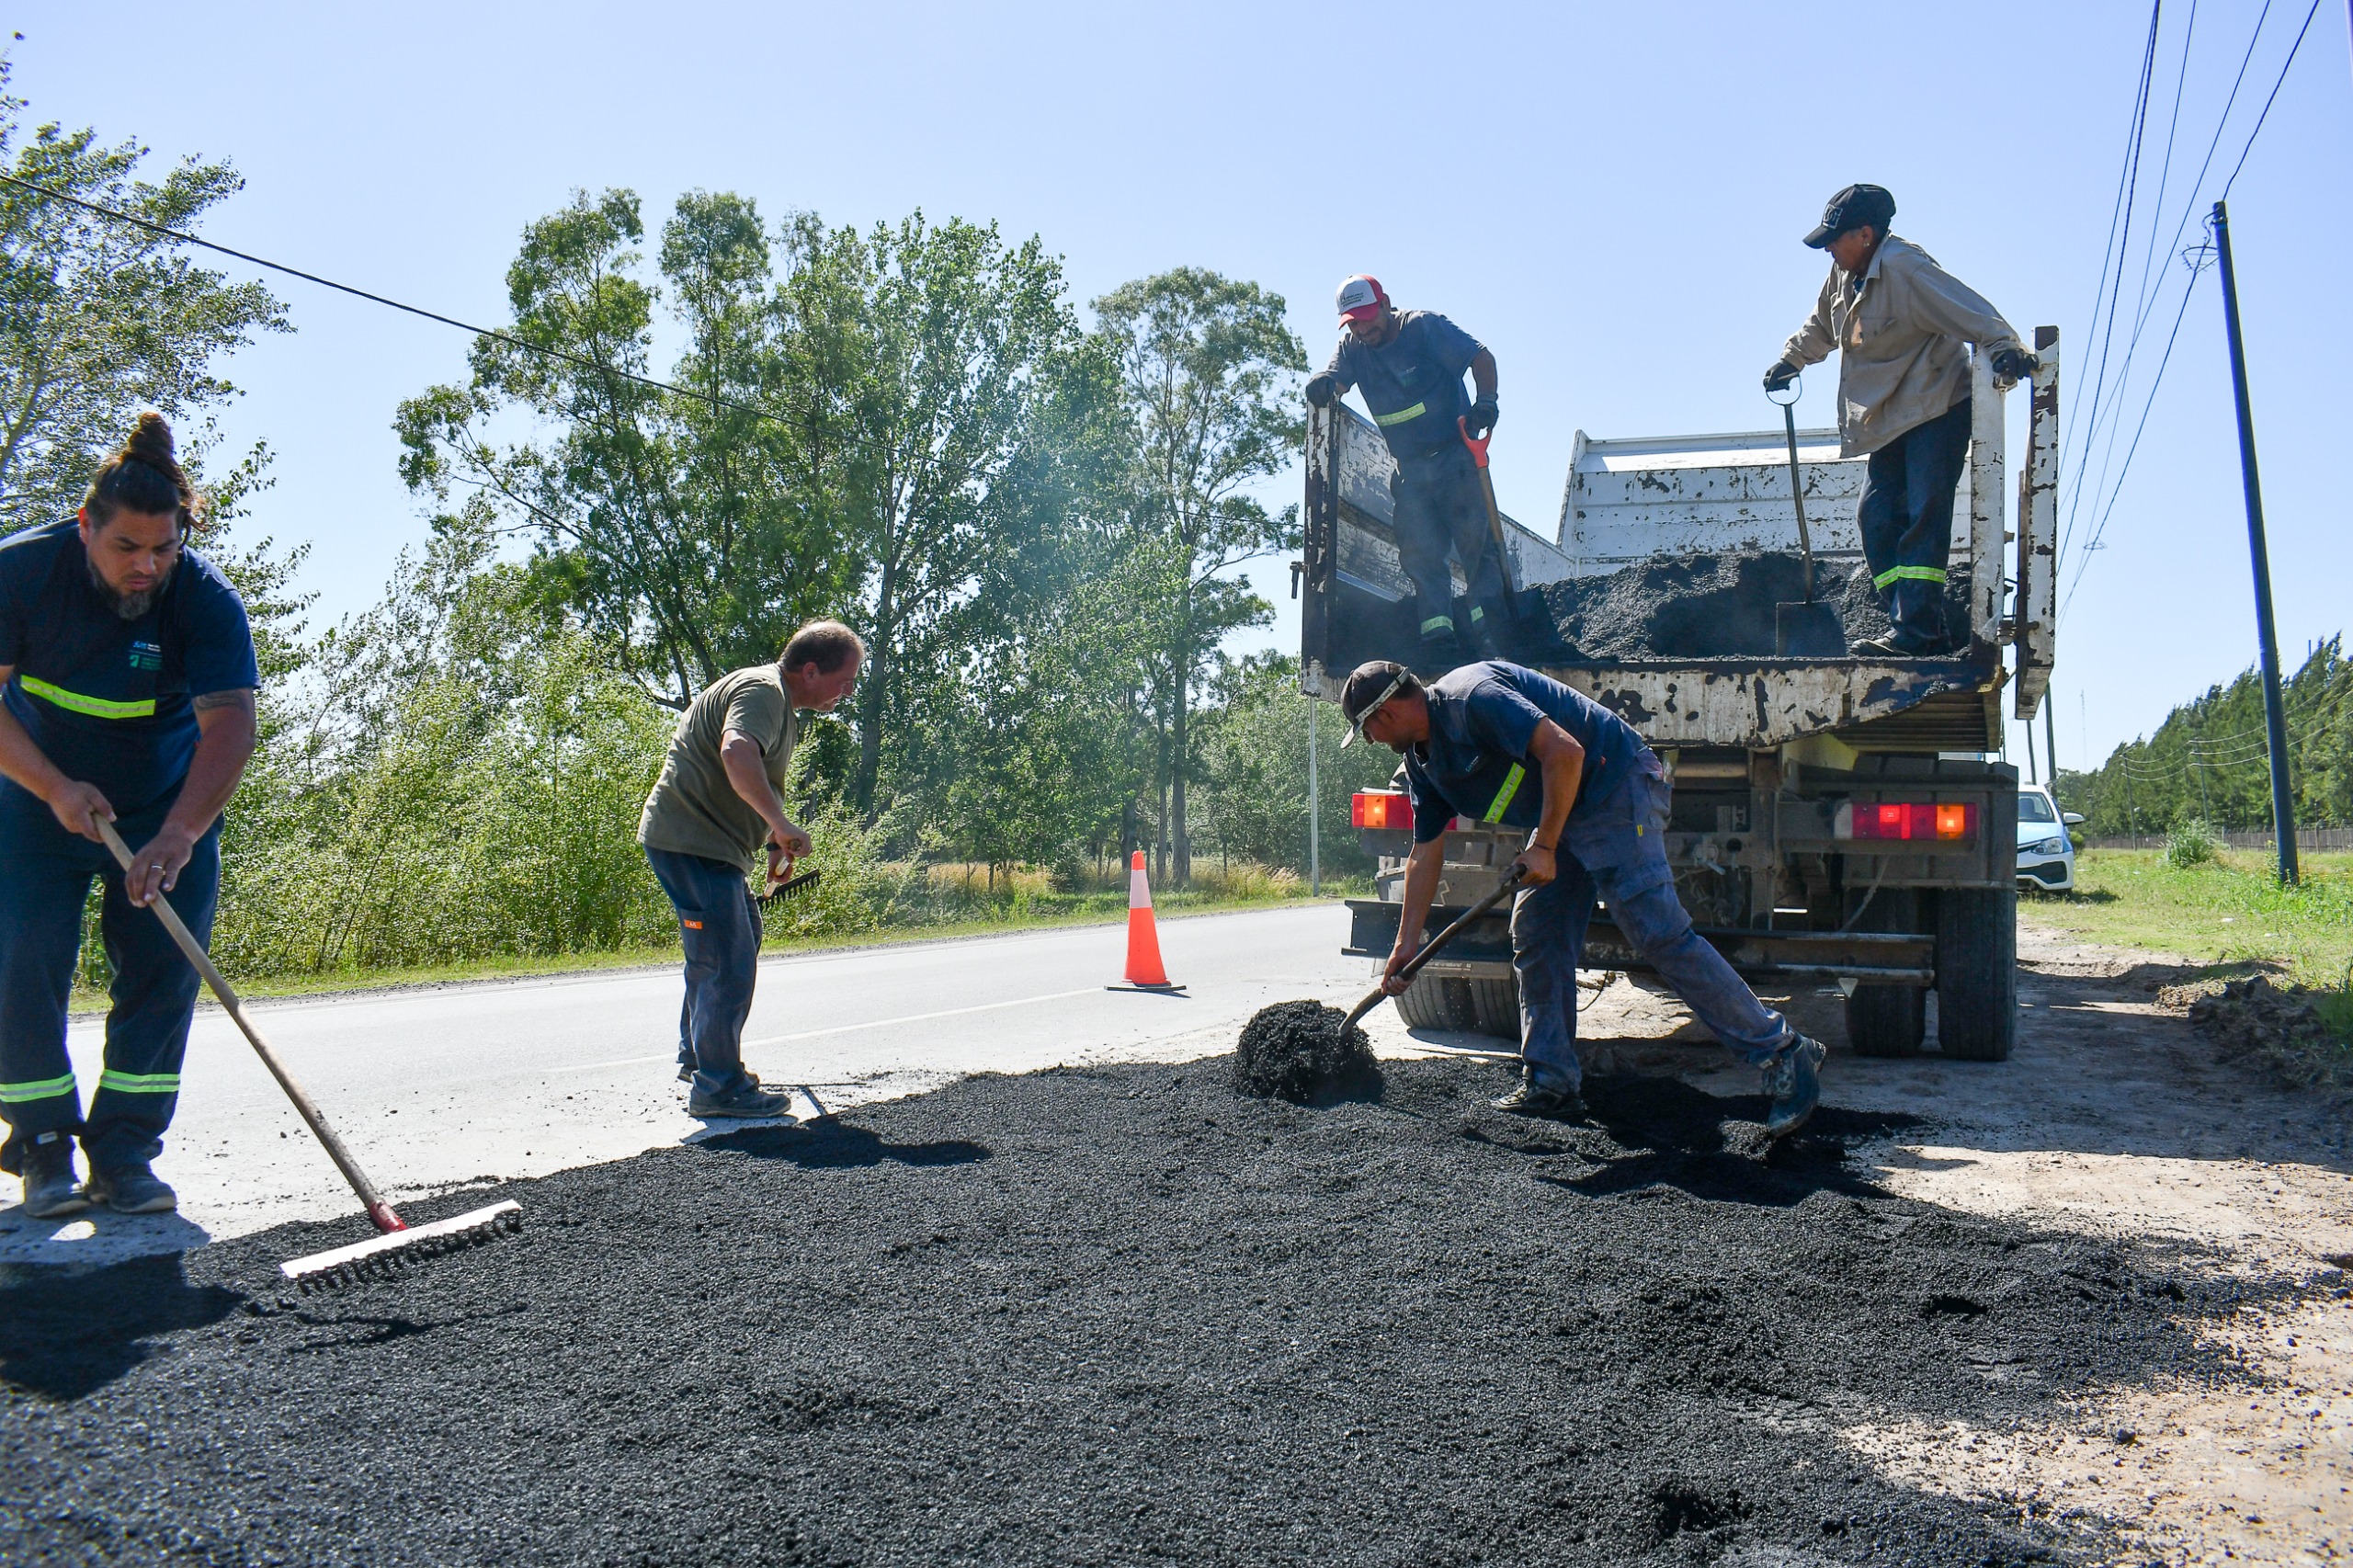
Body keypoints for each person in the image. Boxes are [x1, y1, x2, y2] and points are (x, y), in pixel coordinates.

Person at [1338, 657, 1826, 1137]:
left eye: (1366, 730)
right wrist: (1407, 945)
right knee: (1538, 933)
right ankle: (1551, 1081)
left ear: (1384, 714)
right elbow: (1425, 852)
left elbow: (1566, 752)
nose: (1369, 741)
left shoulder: (1473, 697)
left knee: (1657, 934)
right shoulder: (1423, 762)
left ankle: (1783, 1051)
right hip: (1562, 808)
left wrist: (1545, 845)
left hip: (1613, 786)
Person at [0, 414, 261, 1217]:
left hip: (164, 806)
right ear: (86, 527)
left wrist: (179, 833)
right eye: (127, 549)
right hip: (36, 799)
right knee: (20, 958)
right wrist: (52, 788)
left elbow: (232, 727)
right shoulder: (22, 574)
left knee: (161, 972)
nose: (146, 566)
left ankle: (124, 1149)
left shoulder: (206, 600)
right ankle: (44, 1146)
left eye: (164, 549)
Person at [1763, 184, 2038, 657]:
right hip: (1889, 415)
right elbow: (1822, 327)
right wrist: (1793, 360)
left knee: (1923, 516)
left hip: (1936, 408)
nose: (1828, 247)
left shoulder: (1907, 269)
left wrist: (2005, 348)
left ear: (1865, 234)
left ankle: (1916, 633)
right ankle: (1916, 620)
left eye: (1835, 238)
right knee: (1875, 518)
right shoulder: (1843, 274)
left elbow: (1973, 312)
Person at [638, 620, 863, 1119]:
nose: (848, 692)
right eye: (845, 680)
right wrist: (782, 823)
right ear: (810, 670)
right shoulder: (763, 691)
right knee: (726, 956)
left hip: (708, 845)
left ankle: (700, 1058)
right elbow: (736, 753)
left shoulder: (780, 704)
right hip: (691, 842)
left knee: (729, 941)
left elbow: (745, 779)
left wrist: (770, 841)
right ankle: (718, 1087)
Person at [1305, 276, 1512, 664]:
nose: (1365, 329)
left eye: (1369, 318)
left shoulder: (1423, 327)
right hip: (1411, 472)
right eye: (1354, 322)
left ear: (1385, 303)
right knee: (1419, 554)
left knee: (1475, 548)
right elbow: (1334, 379)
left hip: (1456, 458)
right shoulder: (1352, 347)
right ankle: (1439, 643)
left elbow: (1481, 357)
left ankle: (1493, 639)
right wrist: (1322, 382)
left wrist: (1486, 402)